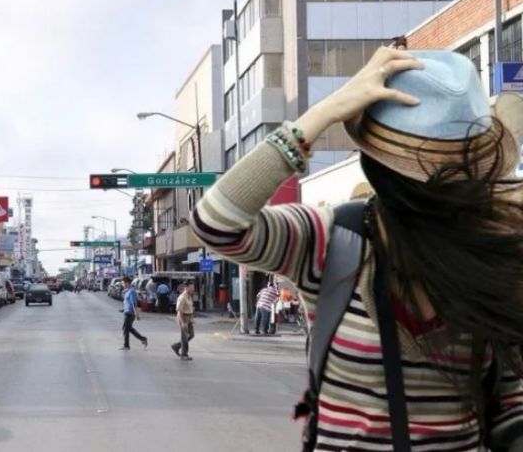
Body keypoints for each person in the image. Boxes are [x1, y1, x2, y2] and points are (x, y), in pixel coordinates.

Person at [190, 47, 523, 450]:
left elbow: (510, 405)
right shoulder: (332, 239)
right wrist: (324, 112)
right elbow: (217, 223)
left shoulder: (493, 249)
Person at [120, 276, 148, 350]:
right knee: (129, 328)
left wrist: (137, 314)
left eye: (123, 283)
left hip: (130, 313)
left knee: (125, 329)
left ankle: (126, 345)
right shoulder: (127, 291)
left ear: (127, 283)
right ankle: (143, 339)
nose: (122, 284)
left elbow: (134, 303)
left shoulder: (132, 291)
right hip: (127, 311)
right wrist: (123, 309)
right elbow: (127, 302)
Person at [171, 281, 195, 361]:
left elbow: (191, 308)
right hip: (183, 317)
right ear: (186, 287)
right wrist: (182, 322)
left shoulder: (189, 296)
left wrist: (191, 318)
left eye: (193, 288)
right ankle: (184, 354)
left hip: (188, 317)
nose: (193, 289)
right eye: (191, 288)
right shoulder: (182, 297)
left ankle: (177, 346)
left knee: (191, 334)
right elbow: (179, 311)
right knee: (184, 337)